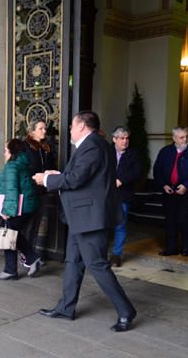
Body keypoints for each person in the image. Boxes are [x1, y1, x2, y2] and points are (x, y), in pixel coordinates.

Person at [32, 111, 136, 332]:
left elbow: (77, 179)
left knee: (97, 265)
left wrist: (47, 179)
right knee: (73, 262)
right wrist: (58, 173)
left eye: (71, 125)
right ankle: (66, 308)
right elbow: (84, 177)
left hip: (91, 219)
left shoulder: (93, 145)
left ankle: (126, 311)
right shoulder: (93, 145)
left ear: (81, 127)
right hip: (80, 217)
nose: (69, 129)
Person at [153, 126, 188, 256]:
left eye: (187, 136)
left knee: (184, 219)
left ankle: (186, 248)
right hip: (169, 191)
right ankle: (171, 248)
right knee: (170, 220)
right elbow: (157, 170)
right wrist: (164, 185)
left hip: (187, 192)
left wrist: (186, 186)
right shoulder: (165, 151)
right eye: (182, 137)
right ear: (174, 138)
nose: (185, 139)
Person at [0, 138, 37, 280]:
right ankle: (28, 260)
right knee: (13, 235)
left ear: (12, 152)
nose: (4, 153)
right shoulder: (21, 164)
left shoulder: (12, 166)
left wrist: (7, 211)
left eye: (6, 151)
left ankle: (13, 268)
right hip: (26, 206)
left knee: (9, 235)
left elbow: (12, 189)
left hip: (17, 207)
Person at [20, 119, 54, 275]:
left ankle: (32, 255)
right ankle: (27, 256)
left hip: (43, 192)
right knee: (27, 226)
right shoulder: (24, 147)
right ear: (32, 131)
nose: (44, 131)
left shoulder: (46, 148)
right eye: (40, 128)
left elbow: (52, 167)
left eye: (45, 128)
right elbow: (21, 169)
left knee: (36, 226)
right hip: (28, 192)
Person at [110, 126, 142, 267]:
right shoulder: (107, 152)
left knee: (120, 225)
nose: (125, 141)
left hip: (124, 195)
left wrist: (121, 180)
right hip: (106, 195)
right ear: (114, 139)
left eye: (127, 138)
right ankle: (98, 253)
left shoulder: (133, 154)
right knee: (102, 224)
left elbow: (137, 172)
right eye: (122, 138)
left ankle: (116, 255)